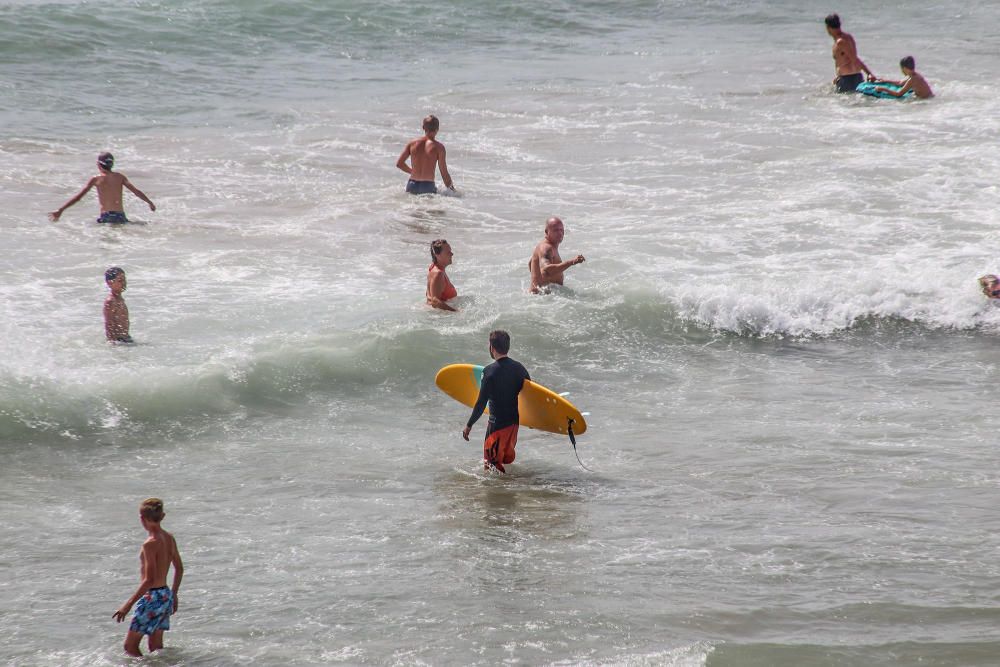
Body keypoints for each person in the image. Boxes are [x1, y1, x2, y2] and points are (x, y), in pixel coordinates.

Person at [112, 498, 184, 657]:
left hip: (152, 597)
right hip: (165, 595)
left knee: (130, 647)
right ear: (162, 516)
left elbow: (149, 580)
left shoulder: (150, 543)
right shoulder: (169, 538)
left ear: (141, 518)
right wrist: (174, 594)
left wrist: (128, 604)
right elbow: (179, 568)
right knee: (156, 647)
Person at [463, 330, 531, 473]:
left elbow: (481, 403)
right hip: (513, 425)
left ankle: (505, 493)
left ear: (492, 348)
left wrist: (469, 425)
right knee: (502, 464)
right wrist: (533, 420)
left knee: (491, 469)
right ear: (507, 347)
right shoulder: (520, 369)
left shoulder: (489, 372)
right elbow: (529, 395)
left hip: (497, 427)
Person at [49, 152, 156, 223]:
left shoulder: (96, 179)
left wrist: (61, 210)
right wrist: (149, 202)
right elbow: (136, 191)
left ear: (98, 164)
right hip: (120, 216)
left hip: (106, 216)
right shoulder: (120, 177)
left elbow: (79, 197)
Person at [396, 115, 455, 195]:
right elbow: (444, 173)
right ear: (437, 129)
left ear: (423, 127)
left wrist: (412, 171)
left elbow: (399, 164)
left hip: (412, 185)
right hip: (428, 186)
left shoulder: (412, 143)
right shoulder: (439, 147)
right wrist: (452, 190)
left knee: (410, 207)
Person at [528, 216, 585, 293]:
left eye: (561, 230)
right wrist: (571, 262)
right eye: (556, 230)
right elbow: (547, 270)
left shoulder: (547, 246)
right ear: (546, 231)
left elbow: (531, 262)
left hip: (545, 295)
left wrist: (537, 282)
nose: (560, 233)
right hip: (542, 298)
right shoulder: (547, 248)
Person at [825, 14, 875, 93]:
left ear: (827, 27)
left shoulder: (840, 42)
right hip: (853, 77)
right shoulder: (848, 37)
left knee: (843, 104)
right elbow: (850, 59)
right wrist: (839, 76)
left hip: (848, 80)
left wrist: (869, 74)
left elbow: (854, 59)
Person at [427, 239, 458, 312]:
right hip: (438, 316)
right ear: (438, 255)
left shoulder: (434, 267)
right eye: (448, 252)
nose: (452, 254)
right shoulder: (438, 273)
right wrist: (456, 312)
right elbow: (435, 301)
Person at [104, 267, 133, 343]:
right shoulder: (110, 301)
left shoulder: (120, 299)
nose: (124, 283)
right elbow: (109, 325)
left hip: (126, 338)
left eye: (124, 280)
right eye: (120, 280)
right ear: (110, 283)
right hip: (118, 341)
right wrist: (113, 344)